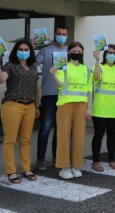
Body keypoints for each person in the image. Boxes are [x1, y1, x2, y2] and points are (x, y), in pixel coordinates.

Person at [0, 39, 39, 184]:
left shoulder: (33, 67)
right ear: (15, 51)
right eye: (21, 49)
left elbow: (35, 88)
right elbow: (0, 80)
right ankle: (11, 171)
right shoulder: (10, 65)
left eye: (26, 50)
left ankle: (26, 169)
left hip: (30, 106)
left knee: (26, 140)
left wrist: (37, 106)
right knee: (10, 140)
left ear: (30, 52)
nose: (24, 52)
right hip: (13, 105)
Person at [50, 41, 91, 179]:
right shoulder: (62, 67)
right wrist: (53, 76)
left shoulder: (86, 69)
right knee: (64, 136)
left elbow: (88, 89)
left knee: (78, 137)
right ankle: (64, 167)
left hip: (81, 105)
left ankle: (76, 165)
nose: (77, 54)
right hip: (65, 105)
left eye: (80, 52)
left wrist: (88, 108)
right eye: (75, 51)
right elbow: (60, 85)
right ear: (68, 52)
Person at [34, 26, 68, 171]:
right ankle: (41, 159)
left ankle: (56, 156)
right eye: (59, 34)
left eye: (64, 34)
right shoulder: (46, 50)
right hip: (48, 93)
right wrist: (32, 46)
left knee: (60, 128)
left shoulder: (69, 51)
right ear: (55, 35)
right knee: (46, 127)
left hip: (65, 94)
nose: (62, 36)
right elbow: (33, 65)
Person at [90, 44, 115, 171]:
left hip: (114, 109)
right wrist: (96, 60)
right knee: (98, 135)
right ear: (105, 55)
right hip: (100, 109)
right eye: (109, 52)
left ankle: (112, 160)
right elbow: (95, 78)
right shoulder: (99, 67)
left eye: (113, 53)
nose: (111, 55)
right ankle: (96, 161)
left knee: (112, 136)